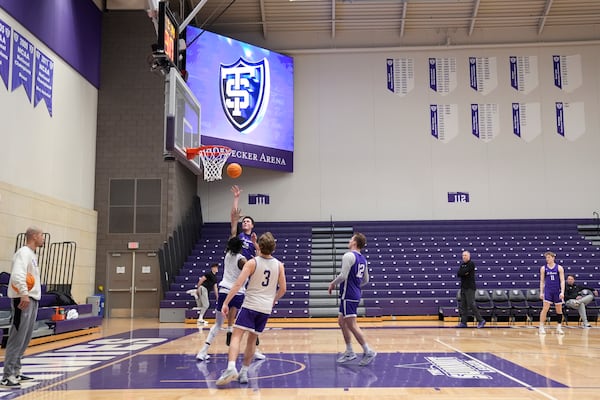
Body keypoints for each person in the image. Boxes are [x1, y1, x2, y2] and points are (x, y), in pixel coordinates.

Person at [216, 232, 286, 386]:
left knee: (236, 336)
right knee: (252, 340)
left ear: (259, 246)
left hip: (251, 305)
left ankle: (231, 367)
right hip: (265, 308)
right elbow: (283, 289)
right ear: (273, 248)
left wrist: (226, 302)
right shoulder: (279, 265)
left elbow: (238, 284)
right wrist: (273, 300)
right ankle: (244, 372)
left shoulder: (252, 263)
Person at [2, 227, 45, 388]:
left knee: (25, 338)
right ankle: (7, 376)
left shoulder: (32, 255)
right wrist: (24, 293)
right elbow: (17, 275)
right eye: (41, 235)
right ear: (34, 236)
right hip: (23, 299)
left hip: (32, 298)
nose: (43, 238)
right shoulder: (23, 252)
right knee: (17, 336)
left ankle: (16, 372)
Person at [328, 232, 377, 367]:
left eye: (351, 239)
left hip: (348, 294)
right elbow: (366, 280)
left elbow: (343, 275)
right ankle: (350, 351)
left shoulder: (348, 255)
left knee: (351, 324)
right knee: (341, 321)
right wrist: (355, 285)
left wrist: (332, 283)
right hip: (354, 293)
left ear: (355, 242)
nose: (349, 240)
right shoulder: (363, 259)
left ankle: (368, 351)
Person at [196, 237, 249, 360]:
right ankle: (254, 349)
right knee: (246, 323)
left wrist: (234, 222)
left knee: (218, 324)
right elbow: (249, 270)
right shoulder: (242, 260)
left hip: (224, 291)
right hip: (238, 293)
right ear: (241, 247)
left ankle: (203, 351)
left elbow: (232, 237)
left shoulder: (227, 255)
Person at [456, 251, 486, 329]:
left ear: (469, 256)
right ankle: (463, 322)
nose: (464, 257)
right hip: (463, 287)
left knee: (471, 304)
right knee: (463, 306)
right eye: (463, 255)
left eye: (465, 255)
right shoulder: (462, 265)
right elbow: (459, 273)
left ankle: (481, 320)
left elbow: (464, 272)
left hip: (470, 287)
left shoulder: (471, 264)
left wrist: (464, 272)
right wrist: (464, 273)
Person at [539, 251, 565, 335]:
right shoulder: (543, 268)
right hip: (548, 290)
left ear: (553, 258)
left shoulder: (559, 268)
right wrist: (541, 292)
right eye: (546, 258)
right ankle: (541, 326)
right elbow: (542, 281)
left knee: (559, 309)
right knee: (545, 308)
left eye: (549, 257)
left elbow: (562, 281)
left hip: (557, 290)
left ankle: (559, 327)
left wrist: (562, 292)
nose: (547, 259)